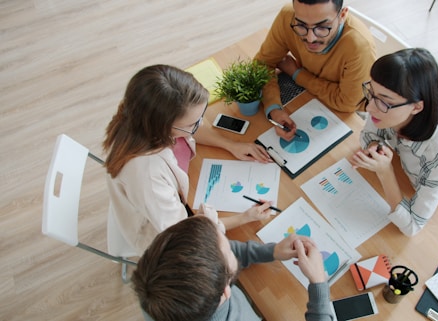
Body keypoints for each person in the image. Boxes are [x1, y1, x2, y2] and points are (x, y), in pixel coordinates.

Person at [103, 65, 273, 255]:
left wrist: (231, 145)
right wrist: (243, 218)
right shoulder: (148, 175)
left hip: (161, 204)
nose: (199, 125)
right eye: (193, 124)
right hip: (161, 235)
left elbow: (188, 129)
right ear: (163, 126)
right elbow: (184, 232)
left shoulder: (141, 116)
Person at [350, 48, 438, 237]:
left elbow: (412, 226)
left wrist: (385, 171)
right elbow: (368, 135)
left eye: (384, 101)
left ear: (416, 107)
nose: (370, 107)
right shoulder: (386, 110)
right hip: (403, 172)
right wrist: (375, 149)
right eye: (371, 93)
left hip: (429, 196)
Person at [132, 216, 334, 321]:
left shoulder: (154, 289)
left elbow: (218, 258)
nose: (232, 246)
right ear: (226, 290)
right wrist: (318, 284)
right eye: (229, 249)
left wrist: (271, 252)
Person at [254, 0, 376, 140]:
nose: (310, 38)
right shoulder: (287, 16)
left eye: (323, 27)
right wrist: (273, 108)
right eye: (301, 25)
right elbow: (261, 64)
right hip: (310, 94)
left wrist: (297, 74)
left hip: (350, 113)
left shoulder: (359, 47)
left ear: (342, 15)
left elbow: (346, 103)